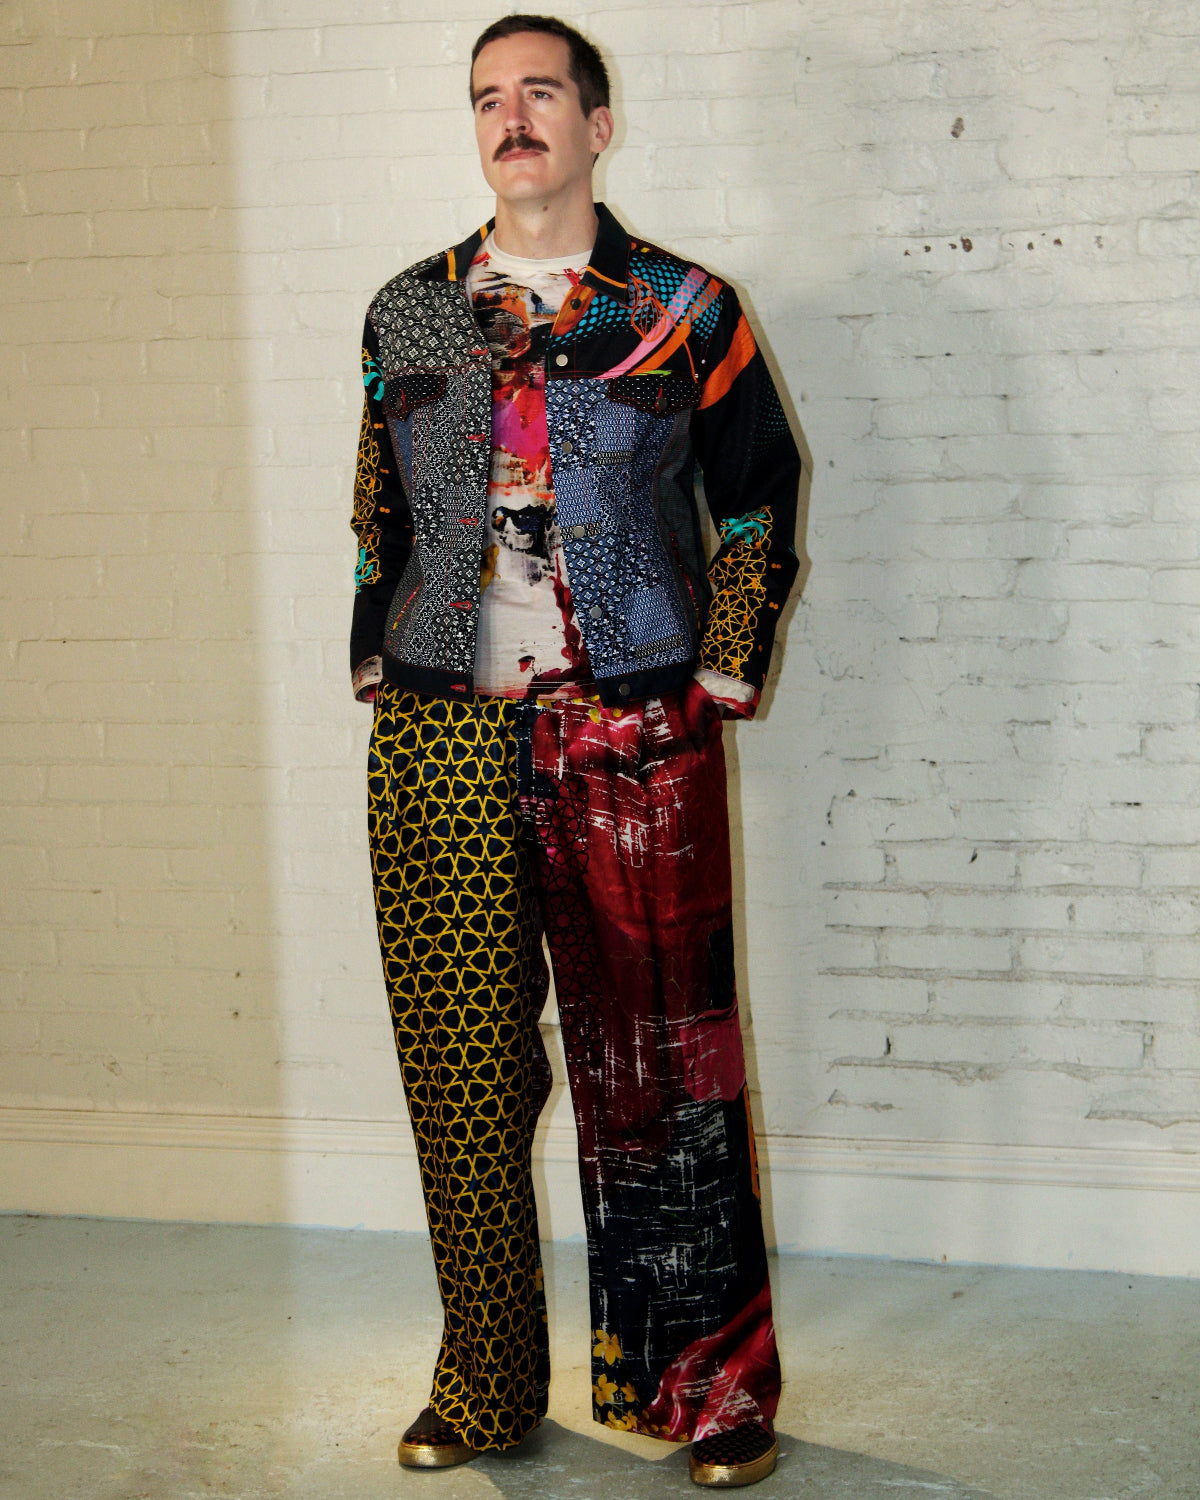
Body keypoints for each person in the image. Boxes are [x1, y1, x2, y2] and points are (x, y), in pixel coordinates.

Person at [349, 13, 801, 1488]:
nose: (513, 116)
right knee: (463, 1073)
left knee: (666, 1064)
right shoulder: (408, 312)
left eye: (541, 91)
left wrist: (715, 672)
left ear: (598, 125)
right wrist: (379, 651)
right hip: (442, 737)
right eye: (489, 96)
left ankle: (710, 1390)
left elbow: (757, 495)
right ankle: (483, 1382)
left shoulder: (685, 308)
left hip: (632, 733)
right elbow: (378, 504)